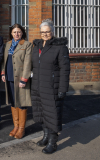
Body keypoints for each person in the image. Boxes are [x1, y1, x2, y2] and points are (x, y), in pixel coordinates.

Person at [31, 19, 70, 154]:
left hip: (52, 87)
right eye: (43, 32)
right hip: (37, 86)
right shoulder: (37, 46)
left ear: (52, 32)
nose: (45, 34)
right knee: (42, 113)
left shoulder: (60, 47)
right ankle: (46, 136)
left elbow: (65, 69)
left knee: (52, 115)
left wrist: (63, 89)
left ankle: (53, 142)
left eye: (47, 32)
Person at [1, 24, 32, 139]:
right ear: (11, 33)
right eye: (14, 32)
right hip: (9, 77)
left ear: (22, 33)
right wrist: (3, 72)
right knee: (13, 102)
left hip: (20, 79)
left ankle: (21, 129)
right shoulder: (8, 44)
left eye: (19, 32)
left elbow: (28, 63)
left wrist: (24, 79)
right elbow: (4, 60)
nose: (16, 34)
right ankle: (16, 126)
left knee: (22, 103)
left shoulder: (27, 45)